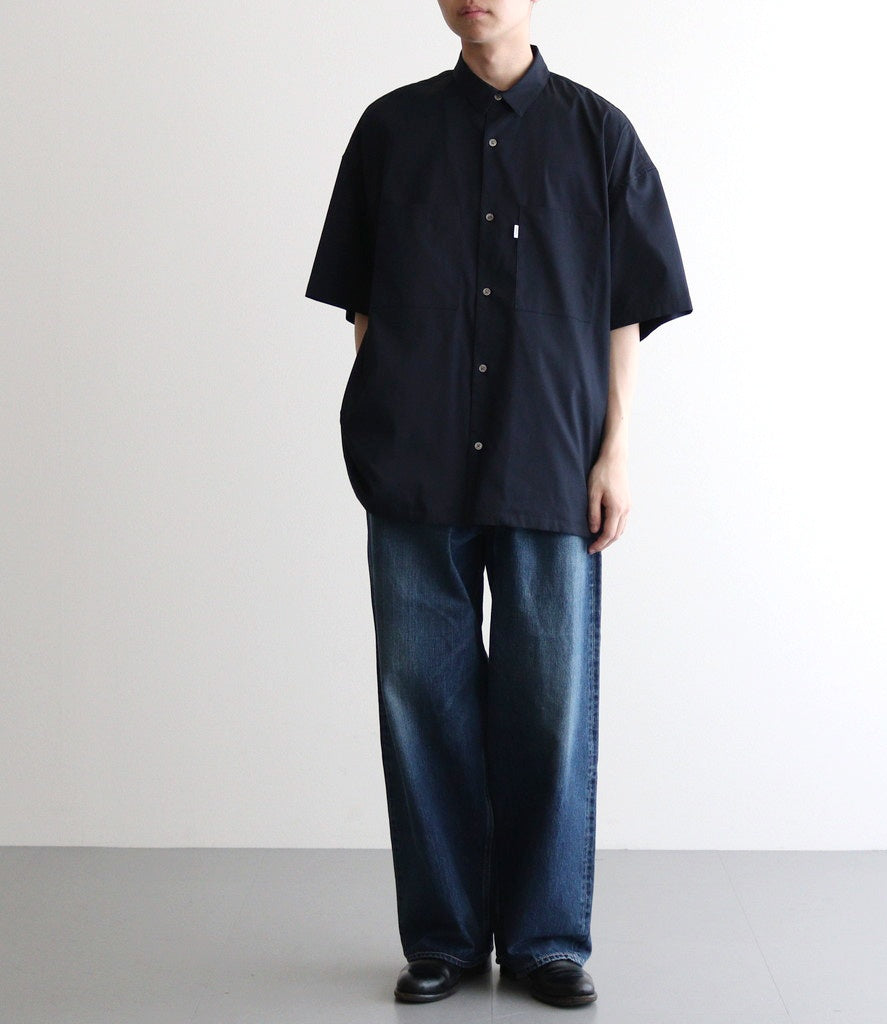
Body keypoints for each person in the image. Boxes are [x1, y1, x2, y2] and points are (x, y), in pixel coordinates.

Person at [305, 0, 691, 1008]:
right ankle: (440, 937)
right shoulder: (390, 130)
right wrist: (390, 414)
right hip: (416, 468)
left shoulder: (598, 135)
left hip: (548, 465)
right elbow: (362, 298)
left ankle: (544, 940)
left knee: (548, 710)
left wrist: (615, 451)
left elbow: (627, 310)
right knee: (421, 702)